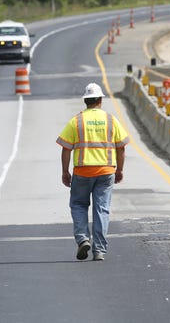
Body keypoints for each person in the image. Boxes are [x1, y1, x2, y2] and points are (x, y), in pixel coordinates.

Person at [56, 83, 129, 261]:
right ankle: (99, 250)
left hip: (82, 172)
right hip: (106, 171)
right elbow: (121, 148)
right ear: (100, 100)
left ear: (85, 100)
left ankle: (82, 239)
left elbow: (66, 149)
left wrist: (65, 172)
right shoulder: (111, 120)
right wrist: (119, 169)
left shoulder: (77, 121)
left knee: (79, 205)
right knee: (101, 209)